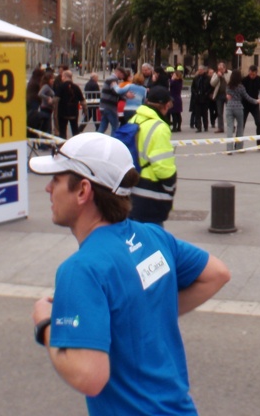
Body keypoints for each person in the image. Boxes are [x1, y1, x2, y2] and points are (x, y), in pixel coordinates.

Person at [28, 132, 230, 415]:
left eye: (57, 180)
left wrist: (46, 326)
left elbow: (90, 377)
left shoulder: (81, 270)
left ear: (83, 191)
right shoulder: (153, 236)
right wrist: (147, 313)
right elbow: (217, 273)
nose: (48, 188)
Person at [130, 85, 179, 224]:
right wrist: (171, 186)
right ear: (164, 105)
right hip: (150, 192)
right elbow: (163, 167)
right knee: (153, 240)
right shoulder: (159, 127)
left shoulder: (134, 119)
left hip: (132, 187)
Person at [224, 69, 259, 153]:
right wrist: (256, 101)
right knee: (240, 127)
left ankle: (229, 149)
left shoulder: (228, 86)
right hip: (239, 107)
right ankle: (239, 147)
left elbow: (227, 95)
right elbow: (247, 97)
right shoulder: (241, 87)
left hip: (229, 107)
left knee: (229, 128)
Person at [55, 69, 85, 139]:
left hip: (62, 113)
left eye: (62, 76)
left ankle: (63, 146)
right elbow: (83, 101)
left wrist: (53, 107)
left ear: (65, 77)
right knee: (75, 130)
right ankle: (75, 144)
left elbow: (56, 99)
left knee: (62, 131)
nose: (61, 78)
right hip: (74, 112)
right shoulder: (76, 87)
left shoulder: (61, 87)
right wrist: (85, 110)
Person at [242, 64, 260, 144]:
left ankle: (259, 143)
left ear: (256, 73)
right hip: (245, 104)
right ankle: (238, 144)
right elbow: (242, 93)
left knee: (259, 123)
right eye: (250, 74)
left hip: (255, 105)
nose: (252, 76)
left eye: (254, 74)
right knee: (241, 124)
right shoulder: (244, 80)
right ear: (249, 72)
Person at [189, 65, 211, 133]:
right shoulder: (196, 78)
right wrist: (195, 93)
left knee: (205, 113)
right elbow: (192, 87)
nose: (200, 71)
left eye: (201, 70)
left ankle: (205, 126)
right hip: (197, 98)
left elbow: (210, 87)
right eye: (199, 70)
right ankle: (199, 127)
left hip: (205, 98)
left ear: (204, 70)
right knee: (197, 113)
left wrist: (207, 93)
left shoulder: (208, 78)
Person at [210, 62, 228, 133]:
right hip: (219, 95)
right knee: (219, 112)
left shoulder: (229, 73)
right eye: (219, 69)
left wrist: (223, 76)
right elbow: (212, 84)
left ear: (224, 68)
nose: (220, 70)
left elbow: (230, 82)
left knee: (229, 112)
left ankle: (232, 126)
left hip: (228, 94)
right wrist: (218, 76)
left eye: (221, 69)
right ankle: (220, 128)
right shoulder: (215, 74)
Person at [169, 67, 184, 132]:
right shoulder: (180, 81)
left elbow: (171, 85)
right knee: (178, 113)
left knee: (174, 113)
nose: (172, 76)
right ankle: (179, 127)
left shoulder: (175, 82)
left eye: (174, 75)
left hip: (173, 98)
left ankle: (175, 127)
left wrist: (172, 79)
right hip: (178, 98)